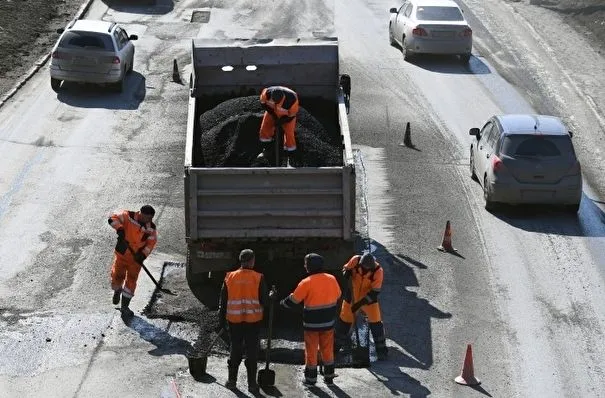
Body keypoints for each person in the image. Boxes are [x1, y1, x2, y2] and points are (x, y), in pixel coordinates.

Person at [281, 253, 341, 386]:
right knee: (327, 349)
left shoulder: (306, 282)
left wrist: (282, 303)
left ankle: (311, 379)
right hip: (328, 323)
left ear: (309, 267)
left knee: (311, 351)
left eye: (305, 264)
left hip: (311, 325)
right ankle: (329, 377)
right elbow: (338, 295)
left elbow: (294, 300)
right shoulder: (332, 279)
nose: (304, 266)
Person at [217, 249, 269, 394]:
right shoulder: (259, 277)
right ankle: (252, 385)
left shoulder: (230, 277)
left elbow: (223, 302)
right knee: (252, 351)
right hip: (253, 322)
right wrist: (272, 297)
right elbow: (265, 301)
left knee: (235, 349)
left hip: (234, 321)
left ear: (241, 261)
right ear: (252, 261)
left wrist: (221, 321)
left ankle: (231, 381)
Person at [334, 252, 388, 360]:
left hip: (368, 300)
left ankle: (381, 351)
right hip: (351, 297)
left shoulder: (378, 271)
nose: (366, 269)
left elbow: (374, 293)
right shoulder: (355, 260)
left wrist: (359, 304)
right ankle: (333, 350)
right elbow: (345, 268)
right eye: (364, 267)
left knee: (376, 324)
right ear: (361, 263)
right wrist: (346, 273)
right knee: (343, 323)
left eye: (368, 268)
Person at [108, 205, 158, 319]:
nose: (148, 221)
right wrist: (120, 229)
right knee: (117, 276)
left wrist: (143, 255)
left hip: (136, 259)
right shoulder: (127, 216)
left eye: (150, 218)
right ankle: (117, 291)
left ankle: (125, 307)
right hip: (122, 254)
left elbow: (151, 244)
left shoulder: (151, 229)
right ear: (140, 214)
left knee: (131, 281)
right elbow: (112, 218)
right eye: (146, 218)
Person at [257, 86, 300, 165]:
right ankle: (266, 150)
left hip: (287, 115)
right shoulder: (267, 93)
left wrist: (281, 121)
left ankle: (289, 156)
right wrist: (273, 114)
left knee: (289, 133)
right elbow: (263, 103)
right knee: (265, 127)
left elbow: (292, 115)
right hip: (272, 111)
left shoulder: (291, 99)